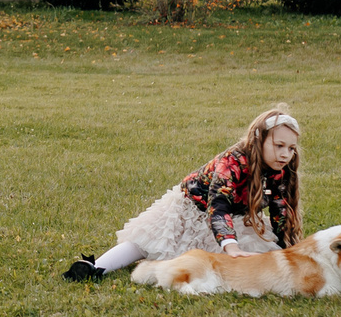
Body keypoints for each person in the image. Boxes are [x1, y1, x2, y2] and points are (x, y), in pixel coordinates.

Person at [64, 106, 301, 281]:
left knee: (253, 254)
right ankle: (94, 267)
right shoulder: (233, 161)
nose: (285, 154)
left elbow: (281, 209)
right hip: (191, 207)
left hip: (236, 217)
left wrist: (287, 247)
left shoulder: (281, 170)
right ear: (259, 139)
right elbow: (218, 204)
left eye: (291, 148)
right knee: (147, 242)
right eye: (278, 145)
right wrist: (231, 245)